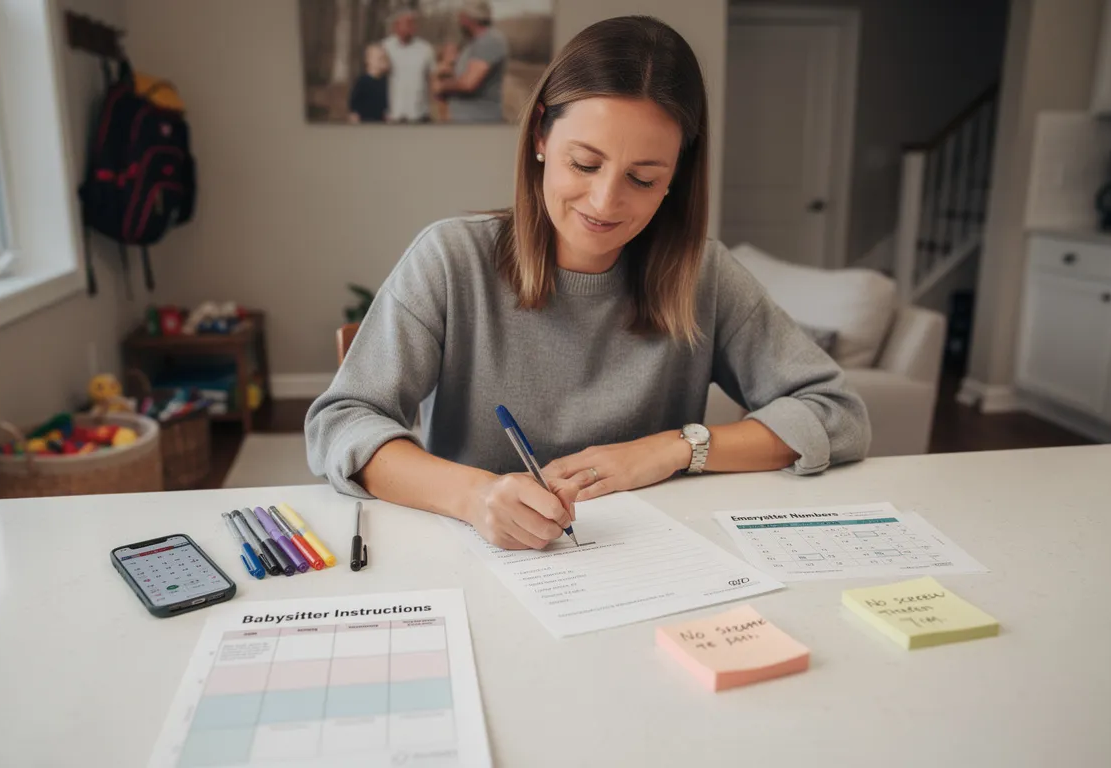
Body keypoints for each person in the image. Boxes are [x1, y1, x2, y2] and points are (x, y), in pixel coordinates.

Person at [306, 16, 870, 551]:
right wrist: (474, 496)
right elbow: (343, 421)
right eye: (584, 164)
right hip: (479, 553)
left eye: (642, 178)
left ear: (677, 174)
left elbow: (835, 413)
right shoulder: (451, 258)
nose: (605, 202)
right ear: (541, 138)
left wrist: (672, 450)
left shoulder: (703, 274)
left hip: (648, 560)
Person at [435, 0, 508, 123]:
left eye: (461, 17)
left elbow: (468, 83)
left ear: (469, 19)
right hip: (465, 121)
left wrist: (442, 86)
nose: (459, 21)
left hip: (480, 122)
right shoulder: (473, 43)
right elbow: (460, 76)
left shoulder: (489, 41)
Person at [380, 9, 435, 123]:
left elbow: (432, 78)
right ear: (396, 27)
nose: (409, 28)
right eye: (405, 24)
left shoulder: (425, 49)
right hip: (393, 115)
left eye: (411, 24)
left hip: (419, 114)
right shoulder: (385, 47)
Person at [348, 43, 389, 123]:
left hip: (380, 122)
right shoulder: (363, 82)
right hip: (364, 121)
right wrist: (354, 116)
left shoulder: (384, 82)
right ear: (368, 60)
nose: (383, 61)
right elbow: (354, 102)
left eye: (384, 58)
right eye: (379, 59)